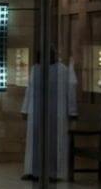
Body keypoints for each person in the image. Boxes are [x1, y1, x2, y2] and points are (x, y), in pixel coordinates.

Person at [20, 51, 78, 181]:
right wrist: (25, 109)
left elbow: (71, 91)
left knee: (54, 141)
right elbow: (29, 90)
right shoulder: (35, 69)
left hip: (56, 113)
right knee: (35, 142)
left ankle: (53, 173)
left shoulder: (63, 70)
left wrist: (72, 112)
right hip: (36, 111)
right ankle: (32, 171)